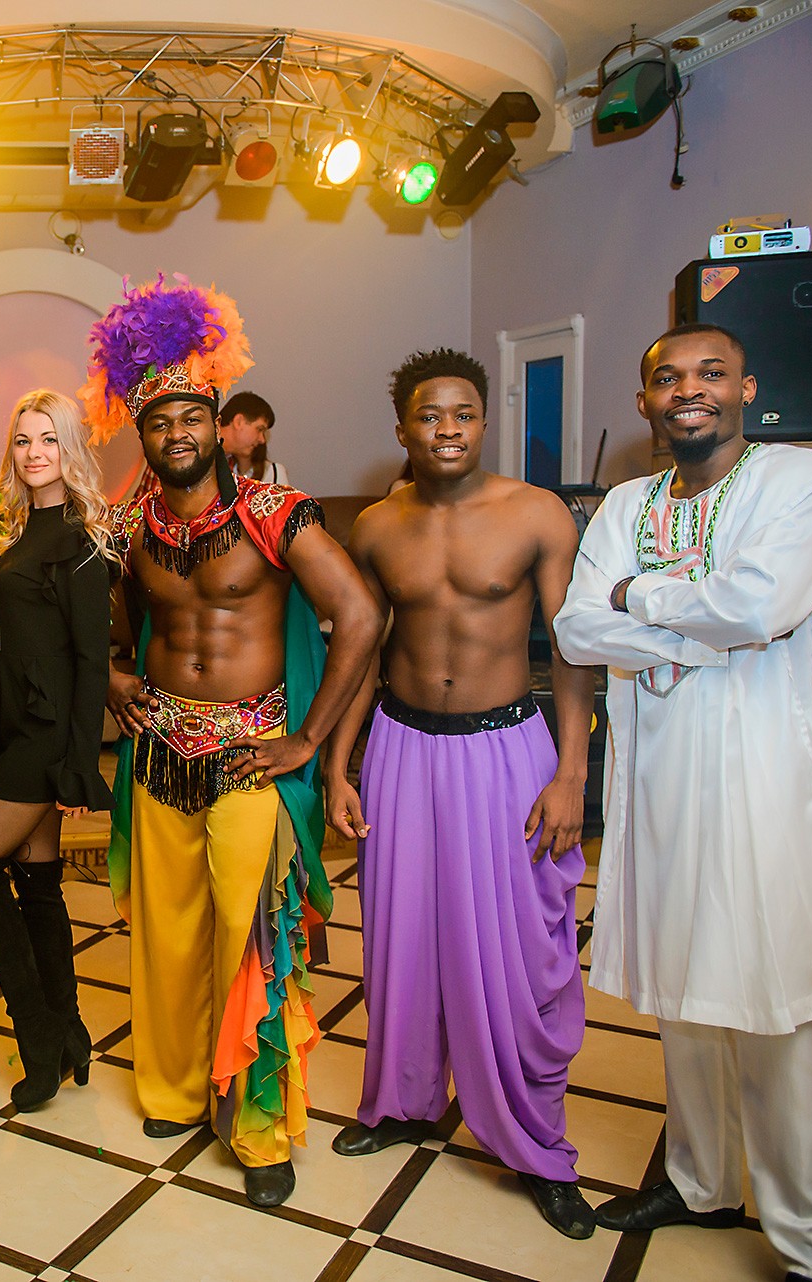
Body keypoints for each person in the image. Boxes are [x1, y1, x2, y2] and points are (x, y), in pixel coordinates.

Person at [555, 323, 812, 1282]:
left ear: (747, 388)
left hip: (767, 785)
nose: (688, 389)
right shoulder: (628, 503)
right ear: (645, 401)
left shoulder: (806, 484)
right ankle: (701, 1184)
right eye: (667, 378)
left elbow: (758, 607)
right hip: (661, 783)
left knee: (774, 1008)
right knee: (686, 999)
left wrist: (640, 599)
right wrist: (698, 632)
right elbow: (577, 628)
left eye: (710, 373)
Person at [85, 274, 379, 1208]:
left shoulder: (278, 515)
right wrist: (112, 678)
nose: (176, 434)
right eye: (158, 422)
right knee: (166, 938)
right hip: (159, 756)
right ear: (141, 435)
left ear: (217, 425)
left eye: (190, 418)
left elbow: (361, 615)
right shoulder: (129, 528)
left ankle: (258, 1127)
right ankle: (175, 1091)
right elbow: (96, 628)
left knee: (253, 939)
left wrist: (310, 741)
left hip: (254, 755)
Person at [321, 348, 596, 1238]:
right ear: (403, 429)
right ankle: (402, 1103)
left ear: (485, 421)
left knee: (516, 950)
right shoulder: (376, 525)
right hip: (402, 746)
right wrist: (339, 765)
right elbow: (362, 652)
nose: (448, 429)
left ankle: (535, 1145)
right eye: (430, 415)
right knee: (401, 939)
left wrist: (570, 772)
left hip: (505, 748)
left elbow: (574, 649)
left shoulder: (536, 513)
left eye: (464, 414)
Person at [0, 388, 115, 1111]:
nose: (34, 453)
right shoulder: (20, 532)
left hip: (45, 734)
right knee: (38, 882)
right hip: (13, 723)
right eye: (22, 440)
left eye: (48, 439)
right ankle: (70, 1031)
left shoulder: (81, 542)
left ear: (70, 449)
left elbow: (90, 664)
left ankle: (38, 1035)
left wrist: (77, 763)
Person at [218, 390, 291, 486]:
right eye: (259, 429)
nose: (262, 440)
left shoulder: (227, 464)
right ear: (238, 421)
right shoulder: (202, 454)